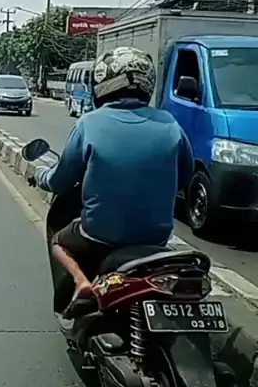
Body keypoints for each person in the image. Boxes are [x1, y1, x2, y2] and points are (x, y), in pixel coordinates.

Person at [31, 46, 194, 317]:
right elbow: (185, 176)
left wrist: (40, 175)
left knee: (59, 242)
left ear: (102, 84)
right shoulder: (170, 124)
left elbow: (60, 181)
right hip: (156, 238)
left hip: (100, 236)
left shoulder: (89, 124)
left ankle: (81, 283)